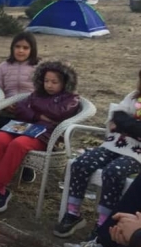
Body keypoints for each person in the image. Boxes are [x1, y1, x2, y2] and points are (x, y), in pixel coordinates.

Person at [0, 60, 80, 213]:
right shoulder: (37, 94)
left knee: (18, 145)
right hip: (23, 127)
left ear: (65, 82)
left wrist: (33, 108)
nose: (49, 85)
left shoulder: (70, 98)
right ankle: (1, 191)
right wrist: (38, 114)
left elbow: (58, 112)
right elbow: (20, 107)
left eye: (54, 82)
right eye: (46, 81)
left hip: (45, 135)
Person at [55, 70, 141, 239]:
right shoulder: (133, 97)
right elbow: (116, 116)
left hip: (136, 154)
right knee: (81, 163)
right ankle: (73, 213)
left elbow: (121, 121)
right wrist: (132, 126)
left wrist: (125, 124)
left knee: (114, 172)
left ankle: (103, 224)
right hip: (112, 145)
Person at [0, 32, 40, 183]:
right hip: (8, 110)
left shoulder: (39, 67)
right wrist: (5, 103)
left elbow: (43, 92)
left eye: (25, 48)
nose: (21, 51)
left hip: (30, 112)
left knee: (24, 140)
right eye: (17, 47)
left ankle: (27, 167)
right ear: (12, 48)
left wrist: (29, 107)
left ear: (32, 50)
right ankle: (0, 166)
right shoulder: (3, 67)